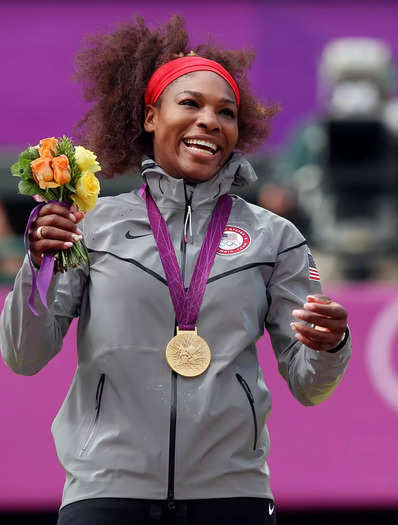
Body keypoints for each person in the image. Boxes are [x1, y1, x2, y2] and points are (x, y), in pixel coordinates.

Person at [0, 15, 350, 525]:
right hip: (105, 491)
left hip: (233, 497)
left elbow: (308, 386)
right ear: (149, 117)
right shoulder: (92, 227)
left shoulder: (275, 238)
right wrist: (37, 266)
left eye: (225, 112)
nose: (210, 120)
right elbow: (23, 356)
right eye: (190, 104)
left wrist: (329, 348)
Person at [258, 37, 398, 281]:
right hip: (327, 256)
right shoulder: (313, 136)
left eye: (367, 84)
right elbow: (275, 197)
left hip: (384, 257)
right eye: (350, 83)